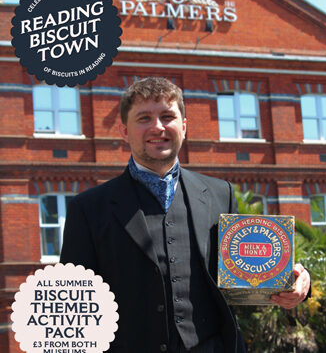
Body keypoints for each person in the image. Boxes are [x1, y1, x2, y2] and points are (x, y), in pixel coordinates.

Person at [60, 77, 310, 353]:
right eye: (144, 118)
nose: (158, 127)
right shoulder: (88, 208)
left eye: (168, 116)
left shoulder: (219, 194)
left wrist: (295, 282)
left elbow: (246, 275)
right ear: (124, 131)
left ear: (184, 126)